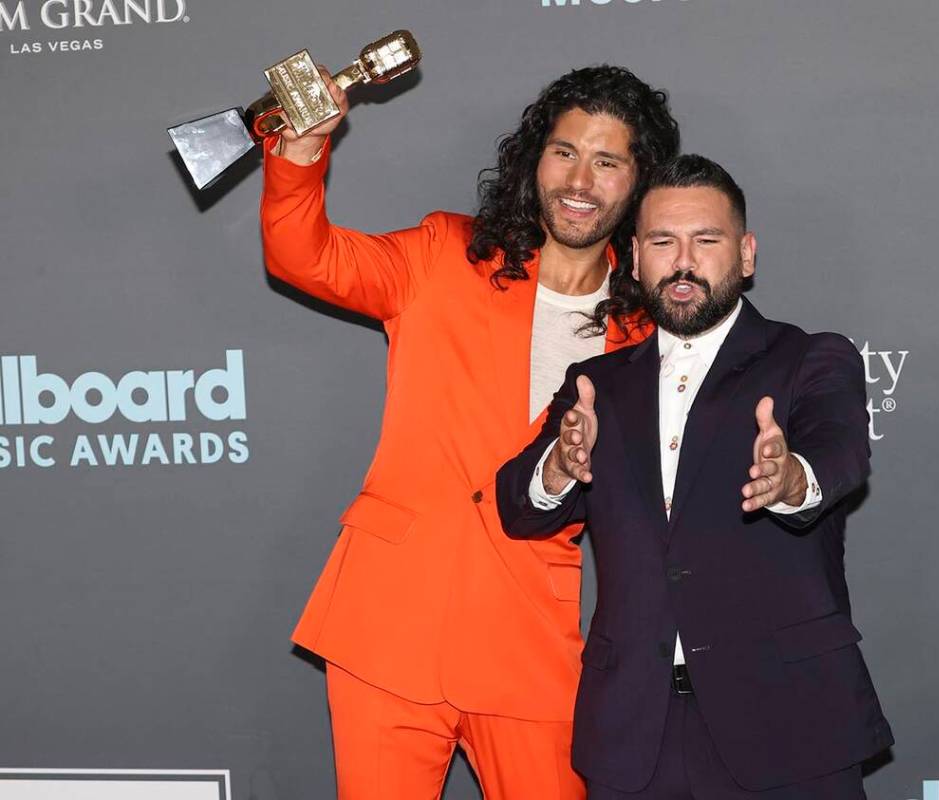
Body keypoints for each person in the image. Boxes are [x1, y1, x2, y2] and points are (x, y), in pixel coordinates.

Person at [260, 66, 679, 798]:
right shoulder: (442, 255)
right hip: (387, 623)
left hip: (533, 639)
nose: (579, 180)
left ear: (639, 184)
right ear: (533, 159)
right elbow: (306, 257)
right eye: (564, 152)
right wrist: (300, 154)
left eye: (608, 161)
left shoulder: (645, 334)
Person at [497, 155, 894, 799]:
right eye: (662, 242)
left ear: (745, 254)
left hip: (788, 725)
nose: (683, 262)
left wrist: (792, 479)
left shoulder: (809, 359)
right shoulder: (596, 386)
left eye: (705, 241)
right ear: (634, 255)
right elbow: (520, 507)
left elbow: (841, 455)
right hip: (636, 735)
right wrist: (561, 466)